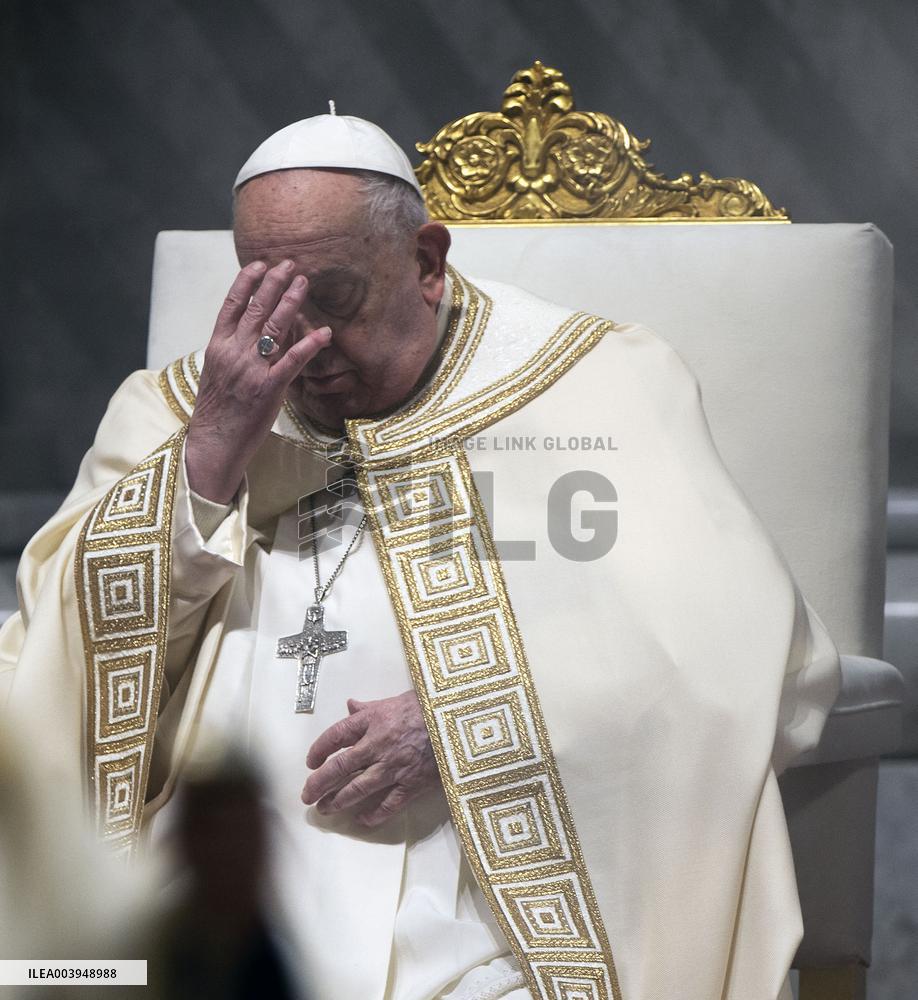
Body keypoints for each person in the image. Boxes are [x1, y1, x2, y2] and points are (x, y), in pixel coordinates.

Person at [0, 114, 840, 1000]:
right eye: (269, 297)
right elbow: (49, 655)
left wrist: (469, 720)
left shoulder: (594, 386)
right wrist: (210, 452)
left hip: (478, 921)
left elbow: (732, 646)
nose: (301, 346)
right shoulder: (182, 406)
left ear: (427, 264)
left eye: (333, 297)